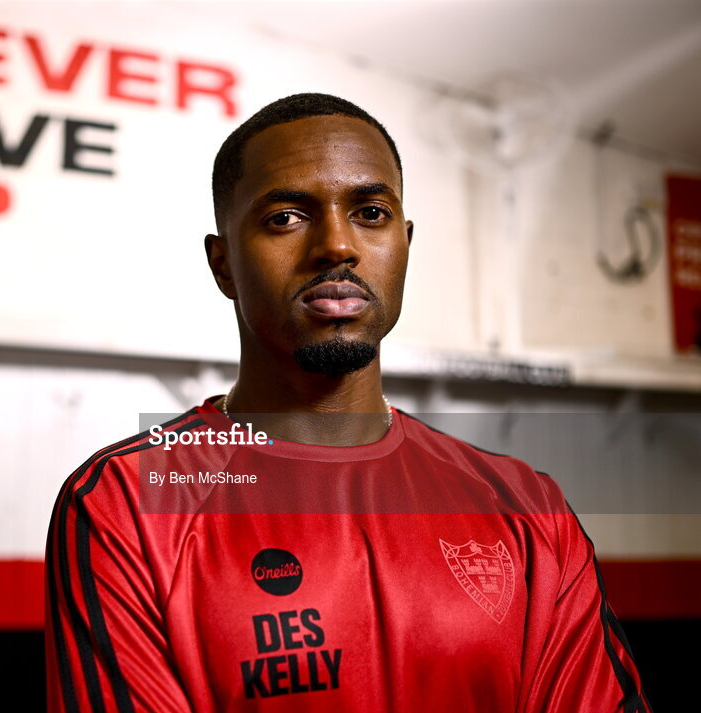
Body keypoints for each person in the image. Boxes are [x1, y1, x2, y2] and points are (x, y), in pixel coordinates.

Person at [45, 93, 650, 712]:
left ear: (405, 243)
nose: (337, 244)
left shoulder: (527, 507)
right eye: (285, 217)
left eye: (370, 211)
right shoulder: (125, 502)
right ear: (222, 264)